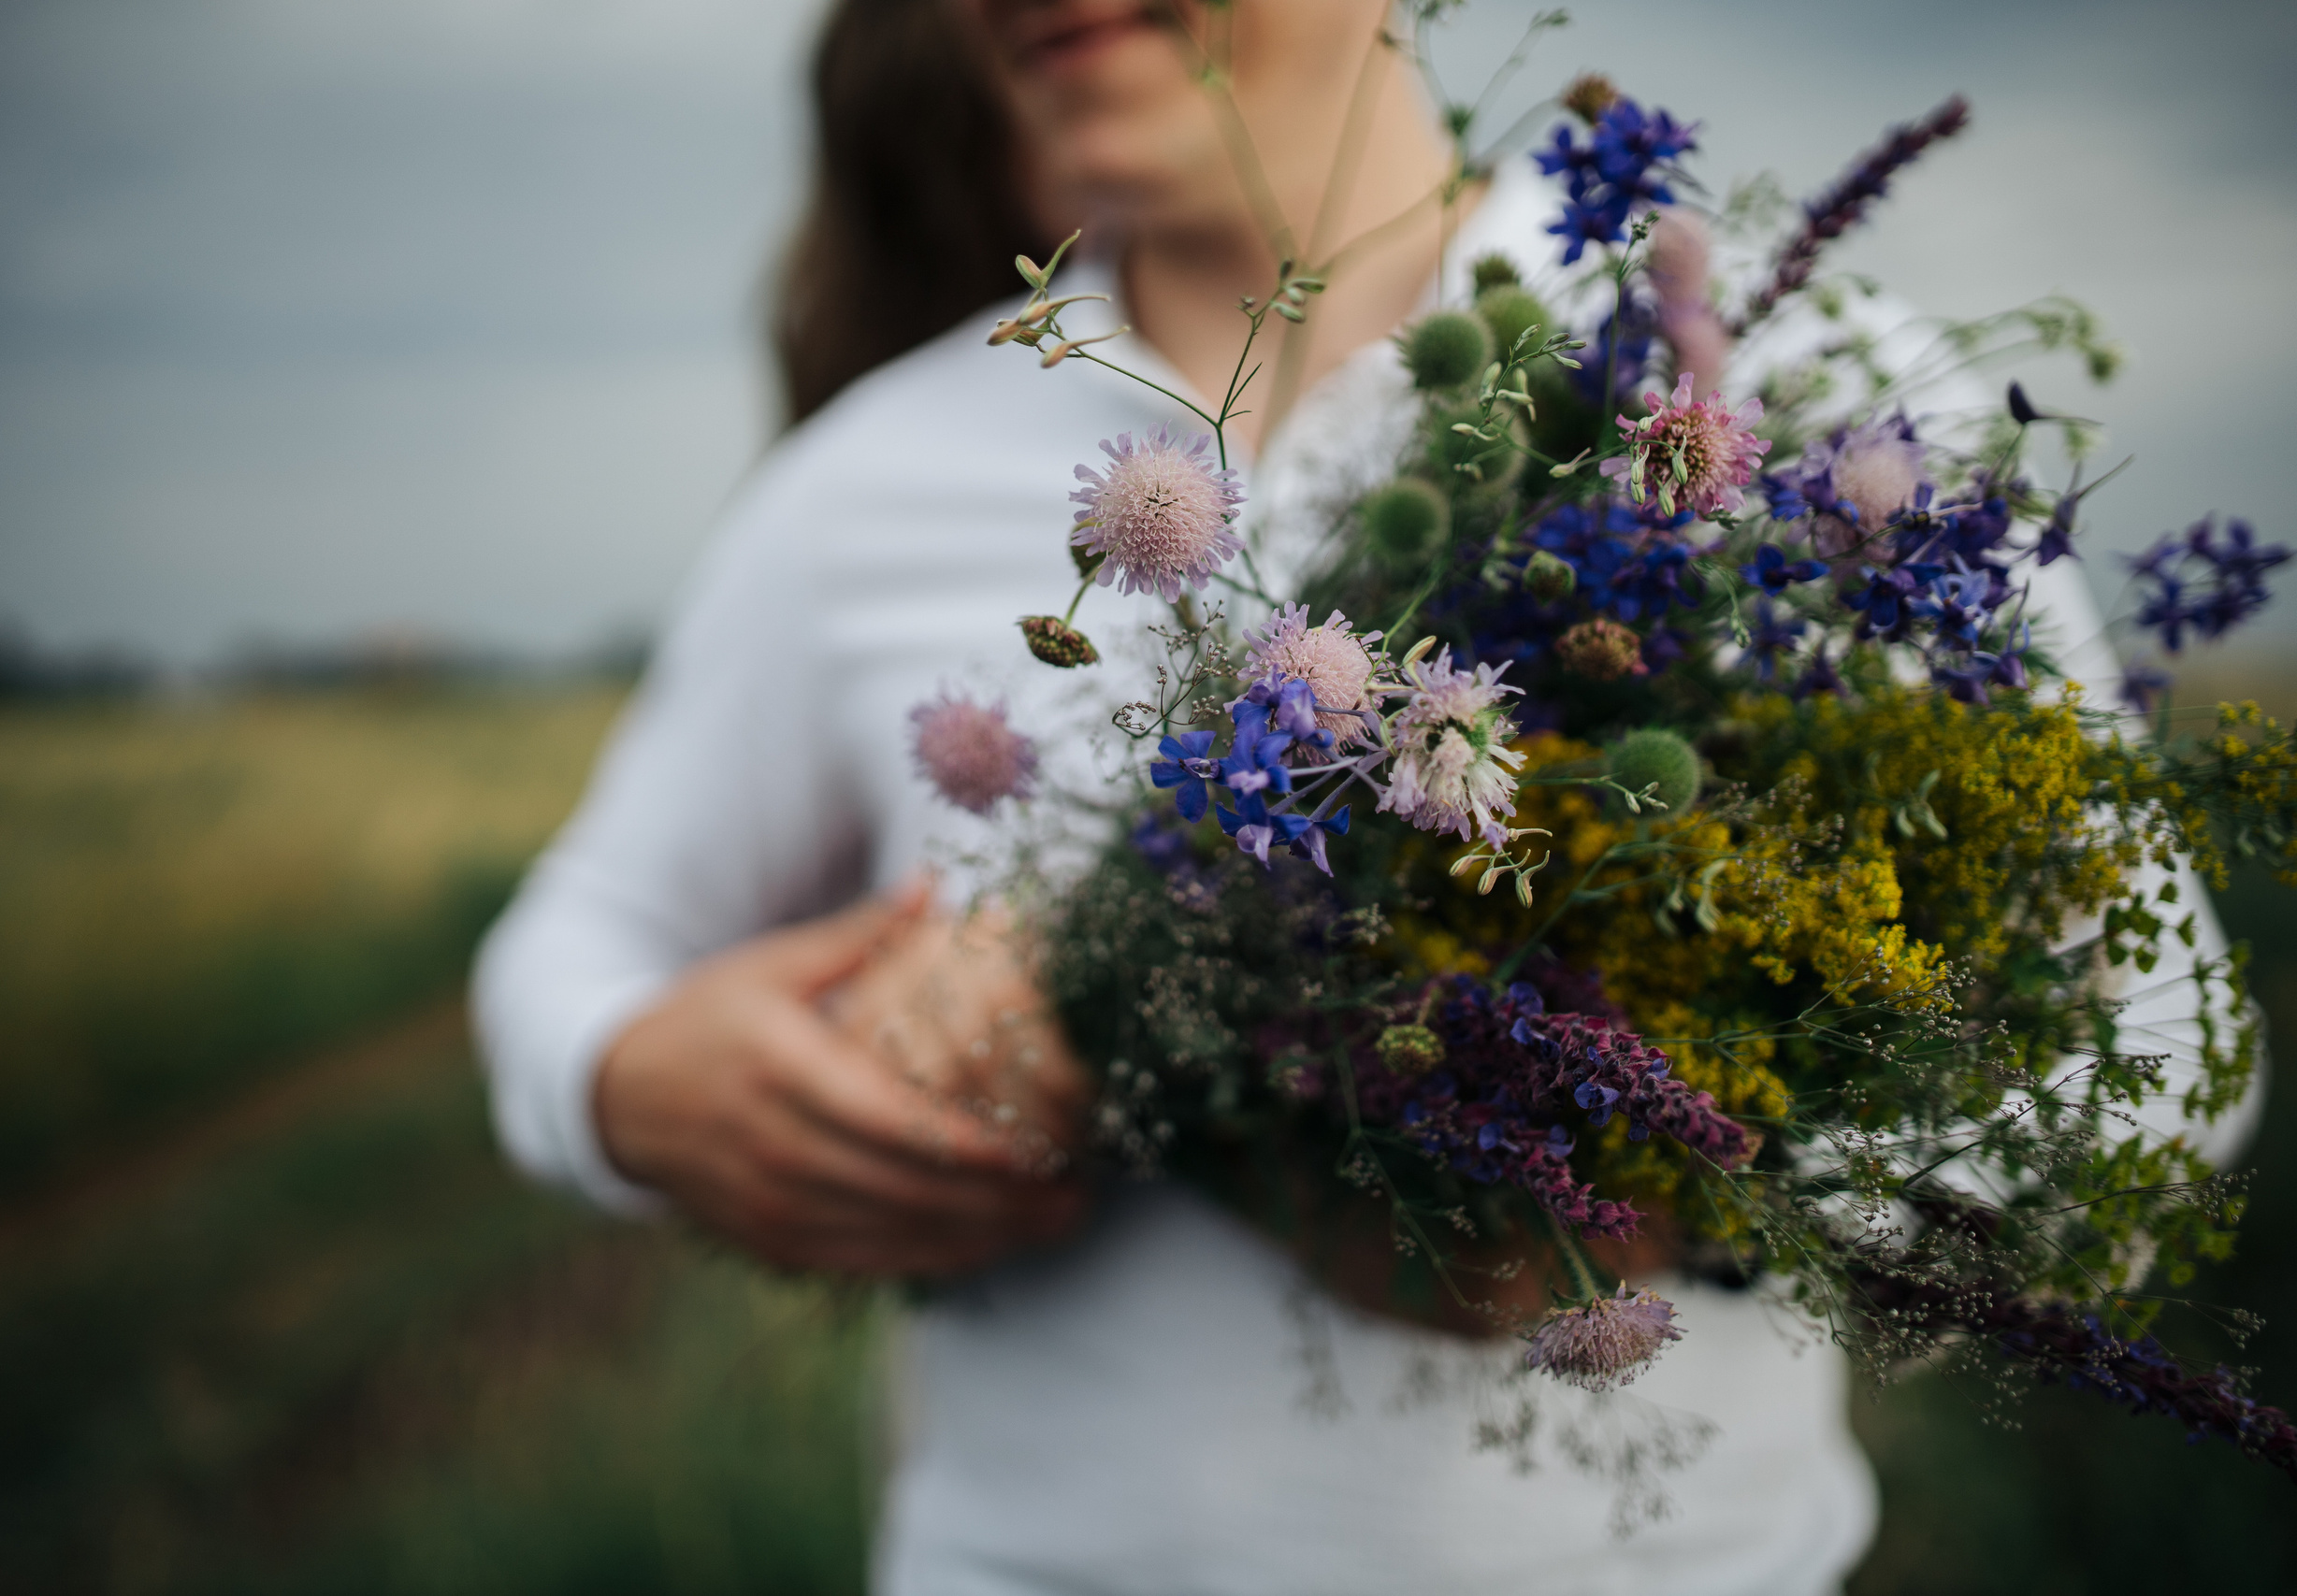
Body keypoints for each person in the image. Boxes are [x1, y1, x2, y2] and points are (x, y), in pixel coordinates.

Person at [474, 3, 2252, 1590]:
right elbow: (583, 934)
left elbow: (2161, 1041)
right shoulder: (872, 473)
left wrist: (1680, 1195)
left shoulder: (1797, 386)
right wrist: (627, 1083)